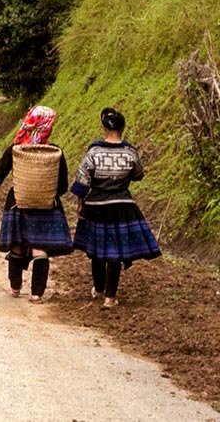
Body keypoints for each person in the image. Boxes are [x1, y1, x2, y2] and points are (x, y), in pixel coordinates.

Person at [0, 105, 73, 303]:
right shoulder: (55, 152)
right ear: (46, 127)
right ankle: (36, 293)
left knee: (17, 247)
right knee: (41, 248)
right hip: (46, 207)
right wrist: (47, 193)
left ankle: (15, 288)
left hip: (17, 204)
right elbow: (63, 185)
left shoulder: (15, 149)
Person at [70, 107, 161, 308]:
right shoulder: (130, 152)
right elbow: (138, 174)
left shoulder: (93, 153)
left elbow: (82, 182)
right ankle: (110, 297)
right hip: (121, 206)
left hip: (96, 206)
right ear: (123, 127)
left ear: (104, 128)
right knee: (115, 252)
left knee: (97, 250)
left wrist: (80, 205)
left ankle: (99, 289)